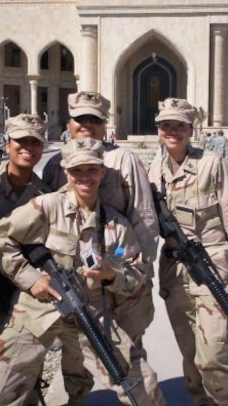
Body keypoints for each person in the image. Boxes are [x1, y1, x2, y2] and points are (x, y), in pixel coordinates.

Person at [0, 138, 165, 406]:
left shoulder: (116, 226)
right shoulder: (46, 207)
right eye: (77, 171)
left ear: (103, 172)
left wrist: (110, 274)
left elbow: (131, 270)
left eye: (92, 170)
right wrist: (31, 279)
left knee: (142, 385)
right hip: (37, 310)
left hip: (87, 312)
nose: (85, 177)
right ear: (67, 173)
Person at [42, 91, 160, 405]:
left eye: (94, 120)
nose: (87, 126)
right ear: (70, 122)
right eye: (81, 119)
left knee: (128, 352)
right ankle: (77, 399)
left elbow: (145, 221)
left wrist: (135, 275)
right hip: (76, 279)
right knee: (76, 353)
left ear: (104, 124)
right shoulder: (57, 162)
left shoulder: (121, 159)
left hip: (119, 271)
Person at [148, 98, 228, 406]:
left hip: (210, 267)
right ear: (159, 130)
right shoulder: (154, 169)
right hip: (174, 272)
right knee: (190, 352)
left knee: (213, 354)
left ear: (190, 129)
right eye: (166, 126)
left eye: (179, 126)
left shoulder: (211, 164)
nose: (173, 131)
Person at [0, 114, 50, 401]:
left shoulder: (46, 194)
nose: (28, 148)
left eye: (35, 142)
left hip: (25, 297)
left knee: (24, 374)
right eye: (21, 141)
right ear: (7, 144)